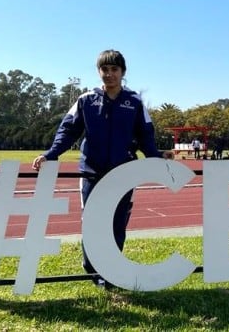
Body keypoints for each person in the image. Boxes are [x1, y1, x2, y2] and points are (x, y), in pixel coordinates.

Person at [32, 49, 171, 289]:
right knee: (93, 222)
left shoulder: (135, 102)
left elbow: (146, 135)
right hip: (92, 172)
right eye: (104, 70)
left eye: (114, 69)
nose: (109, 74)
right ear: (99, 72)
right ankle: (94, 272)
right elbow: (67, 131)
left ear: (122, 72)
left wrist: (156, 155)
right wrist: (51, 154)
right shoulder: (86, 100)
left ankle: (113, 271)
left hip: (124, 172)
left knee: (117, 222)